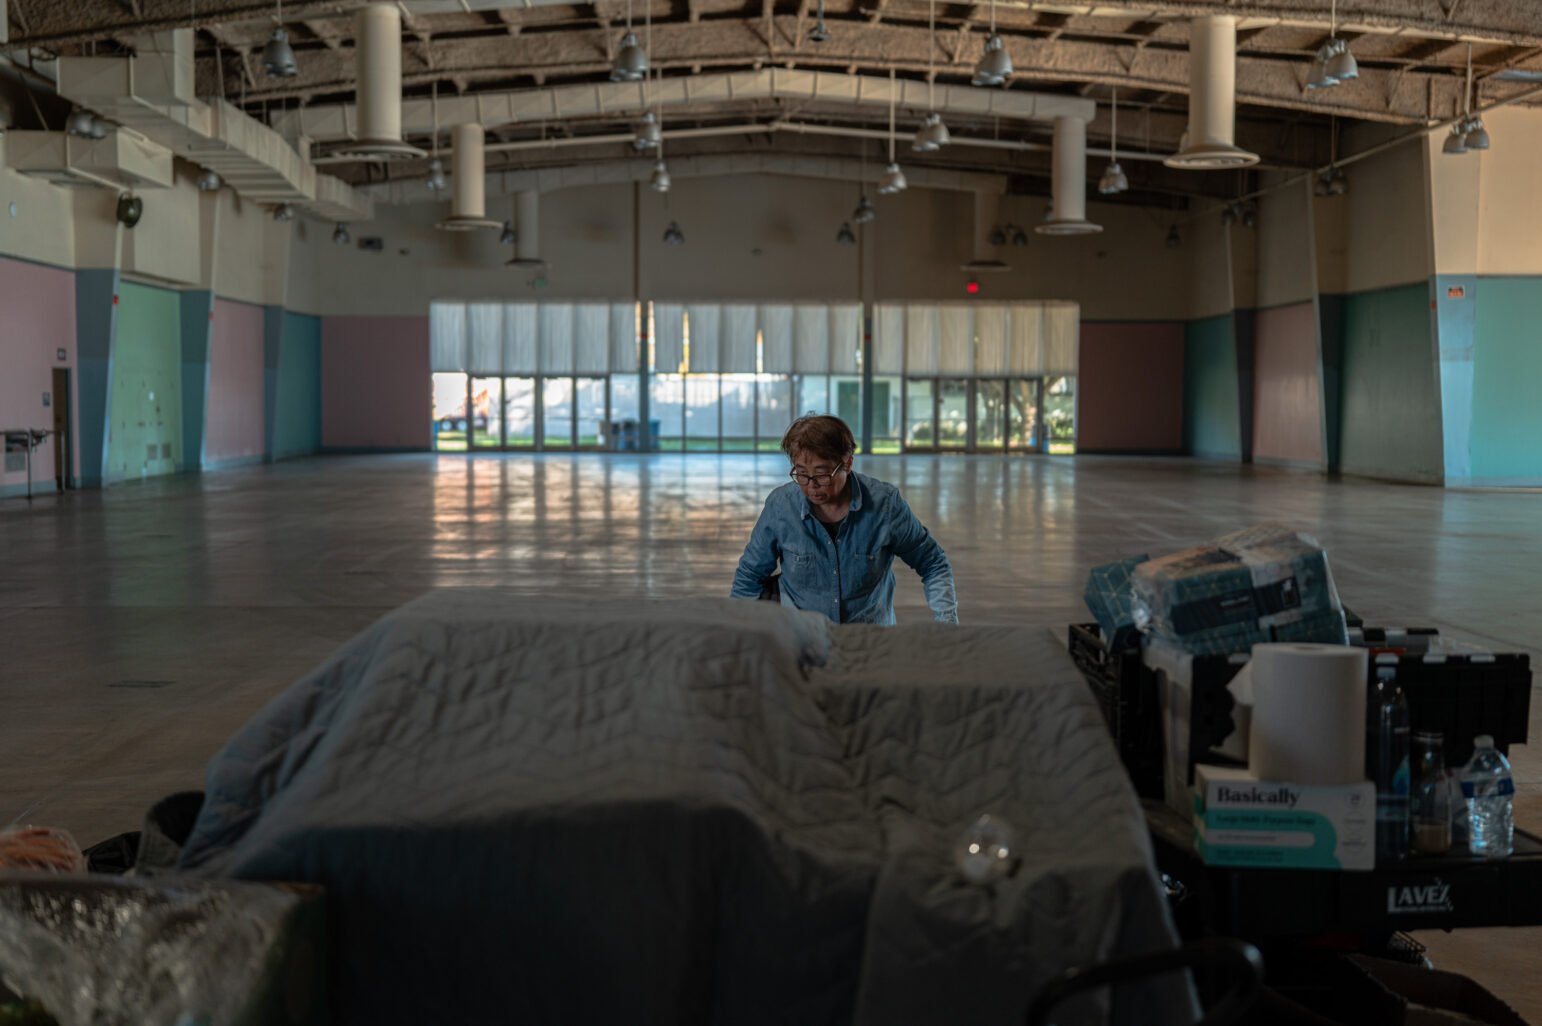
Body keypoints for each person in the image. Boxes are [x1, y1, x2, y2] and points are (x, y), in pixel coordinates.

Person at [731, 415, 958, 625]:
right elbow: (750, 576)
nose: (811, 485)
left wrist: (947, 623)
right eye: (801, 473)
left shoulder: (885, 506)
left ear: (847, 464)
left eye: (821, 474)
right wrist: (739, 634)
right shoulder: (781, 507)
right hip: (802, 641)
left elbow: (932, 563)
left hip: (870, 641)